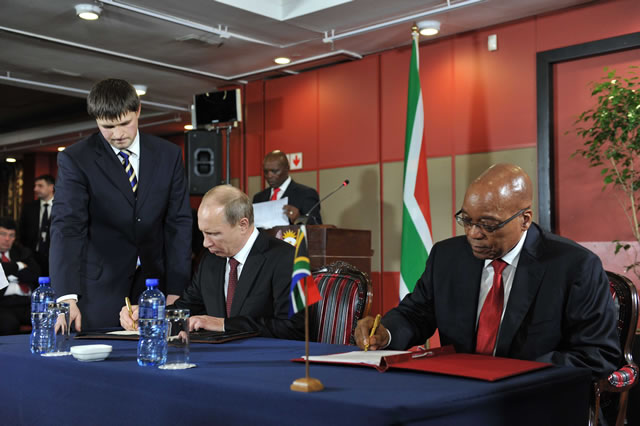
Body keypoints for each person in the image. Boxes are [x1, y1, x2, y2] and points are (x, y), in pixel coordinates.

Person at [355, 163, 620, 378]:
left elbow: (596, 354)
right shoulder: (447, 256)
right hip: (457, 391)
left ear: (525, 220)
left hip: (530, 400)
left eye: (488, 224)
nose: (473, 234)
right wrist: (385, 332)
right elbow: (417, 314)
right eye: (467, 220)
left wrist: (517, 373)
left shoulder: (574, 266)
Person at [50, 78, 192, 331]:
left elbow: (178, 223)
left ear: (138, 110)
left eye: (125, 123)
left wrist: (176, 289)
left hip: (154, 287)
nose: (118, 134)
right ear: (95, 119)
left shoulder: (168, 155)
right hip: (97, 291)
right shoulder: (76, 159)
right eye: (108, 126)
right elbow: (68, 228)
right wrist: (66, 297)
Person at [120, 185, 304, 340]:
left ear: (243, 224)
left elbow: (295, 329)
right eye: (203, 233)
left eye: (214, 234)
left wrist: (222, 324)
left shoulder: (286, 258)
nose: (205, 243)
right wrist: (147, 315)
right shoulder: (211, 260)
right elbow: (185, 309)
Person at [253, 150, 322, 225]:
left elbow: (317, 228)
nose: (269, 176)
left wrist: (299, 218)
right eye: (266, 172)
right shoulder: (258, 198)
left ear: (287, 168)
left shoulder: (306, 194)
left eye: (275, 171)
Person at [0, 217, 41, 335]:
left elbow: (35, 275)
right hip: (3, 305)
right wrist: (18, 266)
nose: (7, 239)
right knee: (9, 325)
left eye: (11, 235)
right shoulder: (20, 259)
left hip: (26, 303)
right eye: (2, 234)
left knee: (48, 319)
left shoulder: (22, 252)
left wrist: (7, 274)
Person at [19, 174, 55, 275]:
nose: (35, 189)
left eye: (40, 186)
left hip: (55, 256)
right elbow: (22, 232)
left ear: (51, 187)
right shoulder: (29, 208)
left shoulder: (62, 207)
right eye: (35, 186)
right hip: (33, 258)